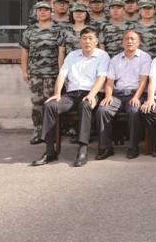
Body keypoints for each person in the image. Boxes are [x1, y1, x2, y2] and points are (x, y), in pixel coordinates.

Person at [31, 27, 110, 167]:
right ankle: (50, 151)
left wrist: (91, 95)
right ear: (80, 40)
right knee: (50, 106)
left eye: (90, 38)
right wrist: (57, 93)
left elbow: (102, 77)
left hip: (93, 93)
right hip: (71, 95)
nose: (87, 41)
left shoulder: (102, 56)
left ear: (96, 41)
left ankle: (82, 150)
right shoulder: (72, 55)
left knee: (85, 105)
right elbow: (62, 75)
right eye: (84, 38)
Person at [96, 30, 151, 160]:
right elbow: (110, 82)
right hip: (118, 94)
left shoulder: (145, 57)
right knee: (102, 110)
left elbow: (144, 81)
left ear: (138, 42)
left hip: (136, 93)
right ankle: (106, 147)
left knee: (134, 111)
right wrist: (108, 96)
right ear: (122, 42)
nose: (129, 41)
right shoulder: (115, 59)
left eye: (133, 39)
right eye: (126, 39)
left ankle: (133, 146)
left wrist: (136, 97)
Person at [20, 1, 61, 144]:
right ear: (36, 13)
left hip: (53, 74)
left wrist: (61, 72)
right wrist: (24, 71)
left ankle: (52, 134)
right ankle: (38, 132)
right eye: (40, 10)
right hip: (36, 74)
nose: (43, 12)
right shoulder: (30, 31)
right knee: (37, 104)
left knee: (52, 104)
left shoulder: (58, 29)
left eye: (46, 10)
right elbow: (25, 52)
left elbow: (62, 52)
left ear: (51, 12)